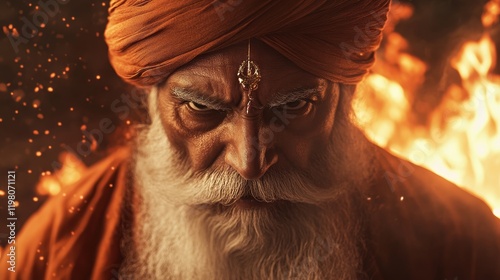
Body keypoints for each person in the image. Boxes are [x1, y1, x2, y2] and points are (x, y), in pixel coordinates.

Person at [2, 1, 500, 279]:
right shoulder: (58, 246)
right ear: (152, 101)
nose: (250, 159)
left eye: (295, 107)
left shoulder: (463, 243)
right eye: (201, 109)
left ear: (345, 100)